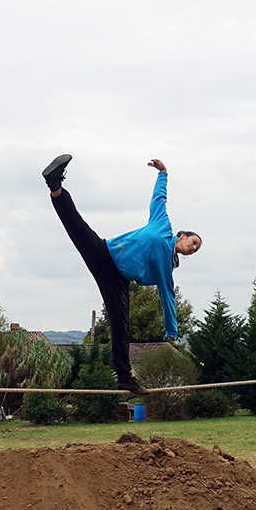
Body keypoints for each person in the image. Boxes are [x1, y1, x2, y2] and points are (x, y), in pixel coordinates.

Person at [45, 154, 201, 393]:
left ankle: (124, 377)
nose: (193, 248)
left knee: (121, 324)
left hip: (118, 281)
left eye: (196, 249)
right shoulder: (162, 224)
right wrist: (163, 174)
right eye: (193, 242)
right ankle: (55, 185)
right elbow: (159, 199)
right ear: (182, 235)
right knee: (76, 227)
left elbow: (168, 298)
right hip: (105, 252)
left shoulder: (167, 270)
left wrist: (171, 330)